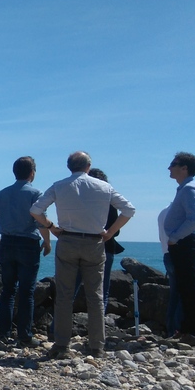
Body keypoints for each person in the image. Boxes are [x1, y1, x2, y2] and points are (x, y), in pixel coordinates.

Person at [31, 151, 135, 359]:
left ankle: (61, 345)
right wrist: (110, 232)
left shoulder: (59, 185)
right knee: (95, 296)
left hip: (68, 240)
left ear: (69, 166)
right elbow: (128, 209)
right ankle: (97, 346)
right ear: (89, 166)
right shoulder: (104, 187)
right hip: (95, 242)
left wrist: (51, 227)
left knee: (64, 296)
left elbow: (35, 210)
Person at [0, 156, 51, 346]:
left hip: (6, 243)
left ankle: (3, 334)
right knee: (27, 291)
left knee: (8, 290)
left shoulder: (2, 193)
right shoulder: (35, 193)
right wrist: (47, 241)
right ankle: (24, 335)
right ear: (32, 173)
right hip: (28, 244)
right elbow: (40, 220)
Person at [164, 152, 195, 347]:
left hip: (185, 243)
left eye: (173, 164)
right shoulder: (185, 188)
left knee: (189, 288)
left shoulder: (189, 188)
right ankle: (187, 330)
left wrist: (174, 238)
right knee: (184, 288)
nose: (169, 168)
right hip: (184, 242)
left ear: (185, 168)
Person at [71, 168, 123, 313]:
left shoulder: (77, 199)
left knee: (70, 289)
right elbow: (116, 229)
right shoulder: (108, 199)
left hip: (77, 244)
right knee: (100, 291)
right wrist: (109, 233)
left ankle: (56, 326)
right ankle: (98, 329)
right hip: (104, 246)